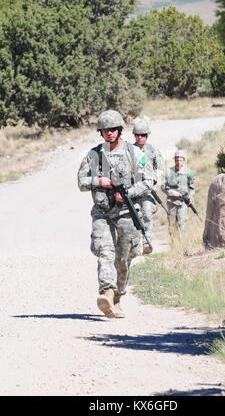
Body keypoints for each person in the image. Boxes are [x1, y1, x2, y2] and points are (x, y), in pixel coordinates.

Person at [77, 110, 149, 319]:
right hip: (102, 213)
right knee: (105, 251)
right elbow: (81, 182)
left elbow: (148, 182)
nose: (108, 133)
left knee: (124, 258)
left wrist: (127, 193)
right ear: (100, 132)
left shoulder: (134, 154)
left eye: (112, 130)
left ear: (119, 130)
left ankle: (118, 297)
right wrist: (98, 181)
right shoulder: (93, 156)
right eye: (104, 130)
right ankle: (106, 293)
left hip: (127, 213)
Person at [132, 119, 164, 254]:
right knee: (133, 215)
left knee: (147, 214)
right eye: (137, 135)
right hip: (133, 190)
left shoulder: (153, 151)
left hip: (148, 190)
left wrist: (154, 178)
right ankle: (135, 243)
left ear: (147, 136)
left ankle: (147, 242)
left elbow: (161, 169)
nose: (140, 137)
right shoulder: (129, 150)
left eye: (143, 135)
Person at [162, 150, 195, 235]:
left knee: (182, 223)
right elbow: (163, 187)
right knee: (172, 224)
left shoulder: (189, 172)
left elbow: (192, 187)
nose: (178, 162)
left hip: (183, 202)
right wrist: (172, 192)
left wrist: (191, 197)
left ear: (184, 160)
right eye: (177, 160)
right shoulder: (168, 172)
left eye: (180, 160)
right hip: (171, 202)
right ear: (174, 160)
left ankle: (182, 246)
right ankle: (174, 244)